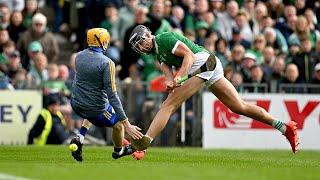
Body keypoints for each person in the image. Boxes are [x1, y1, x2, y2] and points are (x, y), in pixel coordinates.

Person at [128, 25, 298, 153]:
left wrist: (180, 76)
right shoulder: (158, 55)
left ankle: (144, 144)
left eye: (142, 42)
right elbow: (169, 79)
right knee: (239, 106)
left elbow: (189, 55)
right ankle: (284, 127)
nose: (142, 47)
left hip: (202, 61)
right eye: (139, 47)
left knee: (168, 105)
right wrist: (171, 83)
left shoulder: (164, 39)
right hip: (209, 65)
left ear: (149, 34)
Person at [69, 28, 143, 162]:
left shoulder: (79, 56)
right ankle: (119, 151)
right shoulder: (107, 63)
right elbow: (112, 96)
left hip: (76, 103)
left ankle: (80, 138)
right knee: (118, 124)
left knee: (93, 105)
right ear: (103, 41)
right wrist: (126, 124)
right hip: (94, 108)